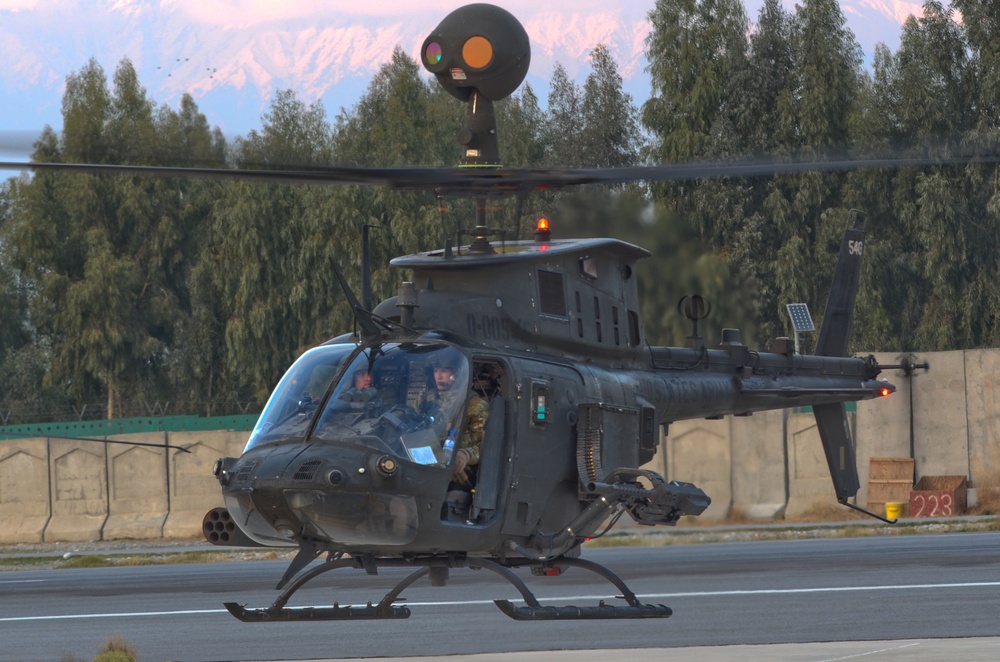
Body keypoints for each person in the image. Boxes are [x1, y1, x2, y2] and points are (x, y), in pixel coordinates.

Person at [421, 357, 489, 489]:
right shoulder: (426, 399)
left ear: (456, 374)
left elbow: (487, 444)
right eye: (436, 371)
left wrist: (466, 454)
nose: (439, 376)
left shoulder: (475, 405)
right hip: (426, 462)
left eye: (444, 371)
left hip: (457, 472)